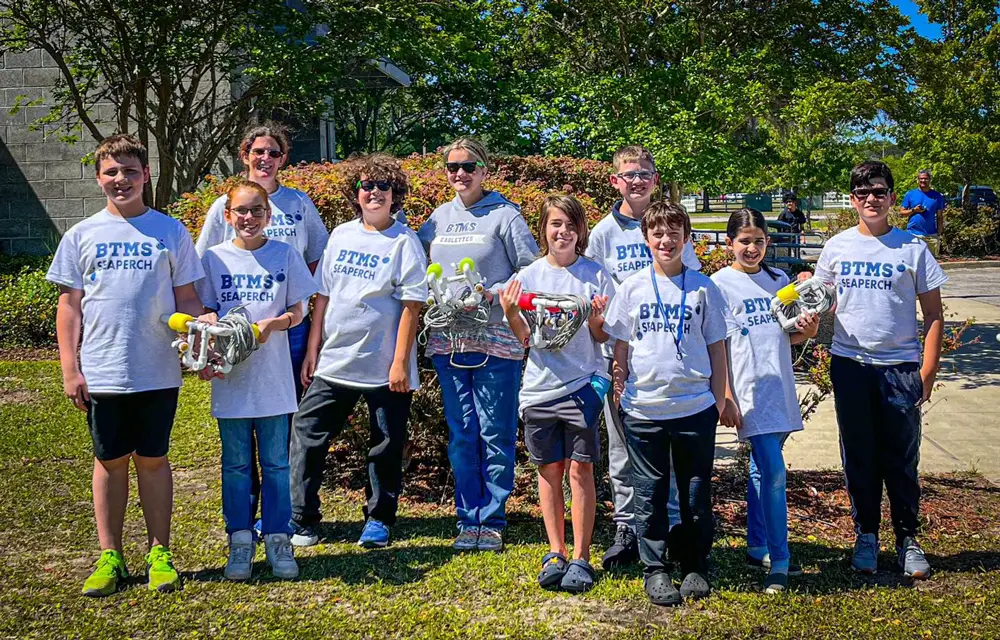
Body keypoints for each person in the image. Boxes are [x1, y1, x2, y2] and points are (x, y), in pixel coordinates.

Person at [47, 135, 204, 596]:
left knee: (153, 460)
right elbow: (69, 306)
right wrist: (70, 369)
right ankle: (110, 555)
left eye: (130, 172)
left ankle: (160, 553)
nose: (121, 180)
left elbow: (188, 298)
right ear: (99, 179)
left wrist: (203, 329)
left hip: (157, 369)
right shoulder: (82, 234)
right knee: (110, 460)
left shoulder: (170, 231)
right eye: (111, 172)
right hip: (103, 369)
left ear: (146, 175)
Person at [812, 161, 947, 579]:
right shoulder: (837, 247)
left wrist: (927, 371)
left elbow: (934, 314)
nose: (871, 198)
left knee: (902, 458)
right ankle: (866, 535)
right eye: (862, 192)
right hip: (851, 366)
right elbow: (820, 302)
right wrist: (804, 300)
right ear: (852, 199)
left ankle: (908, 539)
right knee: (859, 456)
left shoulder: (912, 248)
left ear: (892, 197)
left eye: (879, 191)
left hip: (900, 369)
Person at [195, 122, 329, 538]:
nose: (265, 159)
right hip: (234, 334)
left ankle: (282, 518)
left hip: (285, 329)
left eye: (273, 152)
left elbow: (316, 260)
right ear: (245, 155)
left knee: (280, 422)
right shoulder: (224, 205)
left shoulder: (298, 203)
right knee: (238, 429)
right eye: (258, 152)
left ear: (283, 158)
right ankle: (243, 521)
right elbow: (205, 270)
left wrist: (290, 302)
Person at [289, 155, 426, 549]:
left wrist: (400, 362)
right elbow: (324, 296)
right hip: (335, 361)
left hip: (386, 369)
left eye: (383, 187)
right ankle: (303, 519)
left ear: (395, 195)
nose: (374, 193)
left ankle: (379, 519)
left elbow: (411, 306)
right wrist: (313, 349)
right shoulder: (341, 235)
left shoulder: (405, 242)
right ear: (357, 193)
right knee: (307, 434)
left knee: (384, 445)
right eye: (367, 186)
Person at [604, 202, 730, 606]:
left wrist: (719, 397)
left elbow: (717, 348)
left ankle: (693, 564)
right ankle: (655, 568)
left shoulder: (703, 288)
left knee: (694, 493)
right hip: (644, 410)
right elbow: (620, 346)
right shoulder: (632, 288)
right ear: (646, 239)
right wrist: (620, 390)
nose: (666, 240)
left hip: (695, 407)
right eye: (657, 233)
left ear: (686, 238)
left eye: (674, 233)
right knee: (650, 492)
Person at [416, 137, 538, 552]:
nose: (460, 174)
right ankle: (468, 518)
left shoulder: (506, 216)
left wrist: (494, 293)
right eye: (452, 167)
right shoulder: (436, 219)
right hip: (448, 341)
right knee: (462, 432)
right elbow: (415, 269)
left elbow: (531, 270)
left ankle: (493, 518)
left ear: (485, 170)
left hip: (496, 341)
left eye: (469, 166)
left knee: (495, 432)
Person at [585, 145, 699, 569]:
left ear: (655, 179)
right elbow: (593, 291)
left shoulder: (673, 225)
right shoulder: (602, 234)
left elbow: (691, 285)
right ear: (615, 180)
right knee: (621, 447)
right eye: (628, 174)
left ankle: (668, 527)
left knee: (665, 452)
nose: (637, 181)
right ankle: (627, 527)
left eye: (644, 174)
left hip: (667, 357)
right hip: (618, 356)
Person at [499, 195, 614, 592]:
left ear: (580, 231)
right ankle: (556, 550)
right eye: (554, 224)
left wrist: (597, 318)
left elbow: (602, 336)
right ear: (543, 229)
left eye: (569, 224)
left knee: (581, 471)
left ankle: (582, 556)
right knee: (549, 472)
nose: (562, 232)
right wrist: (512, 310)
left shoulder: (595, 274)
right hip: (539, 390)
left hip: (583, 384)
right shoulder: (529, 276)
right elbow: (525, 339)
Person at [710, 208, 819, 594]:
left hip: (779, 389)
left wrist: (809, 330)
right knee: (773, 472)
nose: (752, 248)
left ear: (768, 243)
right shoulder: (717, 285)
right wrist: (724, 396)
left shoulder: (779, 282)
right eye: (744, 241)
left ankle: (756, 544)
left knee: (761, 470)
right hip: (748, 393)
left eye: (759, 241)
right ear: (729, 244)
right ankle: (781, 560)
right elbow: (717, 345)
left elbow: (786, 335)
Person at [900, 170, 946, 255]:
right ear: (917, 180)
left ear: (930, 180)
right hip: (914, 234)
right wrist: (914, 210)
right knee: (914, 262)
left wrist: (938, 234)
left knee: (931, 264)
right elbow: (901, 213)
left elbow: (940, 216)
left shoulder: (937, 196)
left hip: (931, 235)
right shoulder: (910, 194)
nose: (923, 181)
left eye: (925, 179)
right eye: (921, 179)